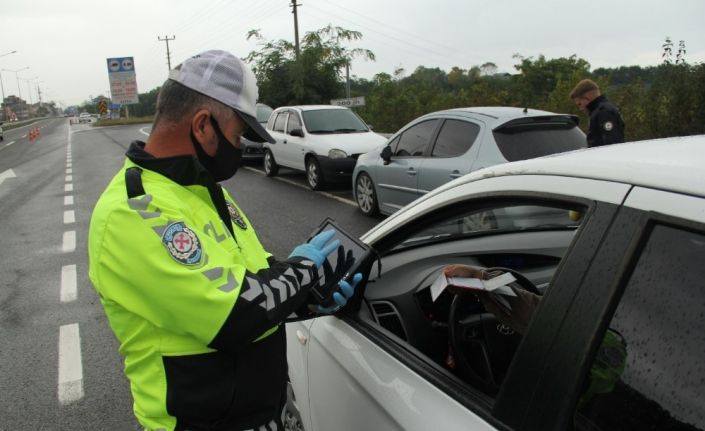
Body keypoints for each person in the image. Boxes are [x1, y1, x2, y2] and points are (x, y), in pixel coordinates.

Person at [88, 49, 361, 431]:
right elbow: (236, 316)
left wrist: (309, 299)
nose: (243, 147)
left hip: (265, 415)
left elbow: (258, 282)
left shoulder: (202, 190)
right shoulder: (132, 211)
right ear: (202, 126)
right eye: (237, 134)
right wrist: (304, 272)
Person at [569, 78, 625, 148]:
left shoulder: (604, 112)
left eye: (579, 104)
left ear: (587, 98)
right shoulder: (599, 111)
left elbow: (611, 145)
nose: (580, 109)